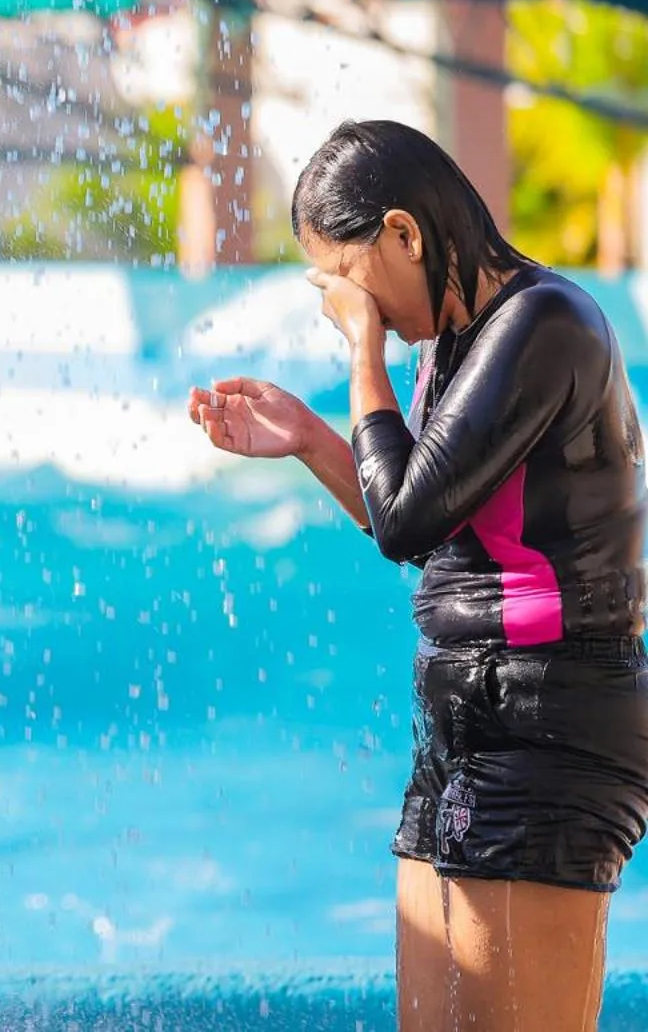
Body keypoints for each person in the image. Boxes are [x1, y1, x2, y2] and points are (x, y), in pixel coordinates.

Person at [190, 119, 648, 1032]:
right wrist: (316, 440)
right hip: (465, 730)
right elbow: (435, 526)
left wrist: (363, 358)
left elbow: (405, 519)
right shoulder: (457, 343)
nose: (358, 312)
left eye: (352, 285)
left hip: (547, 732)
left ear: (404, 232)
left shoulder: (545, 325)